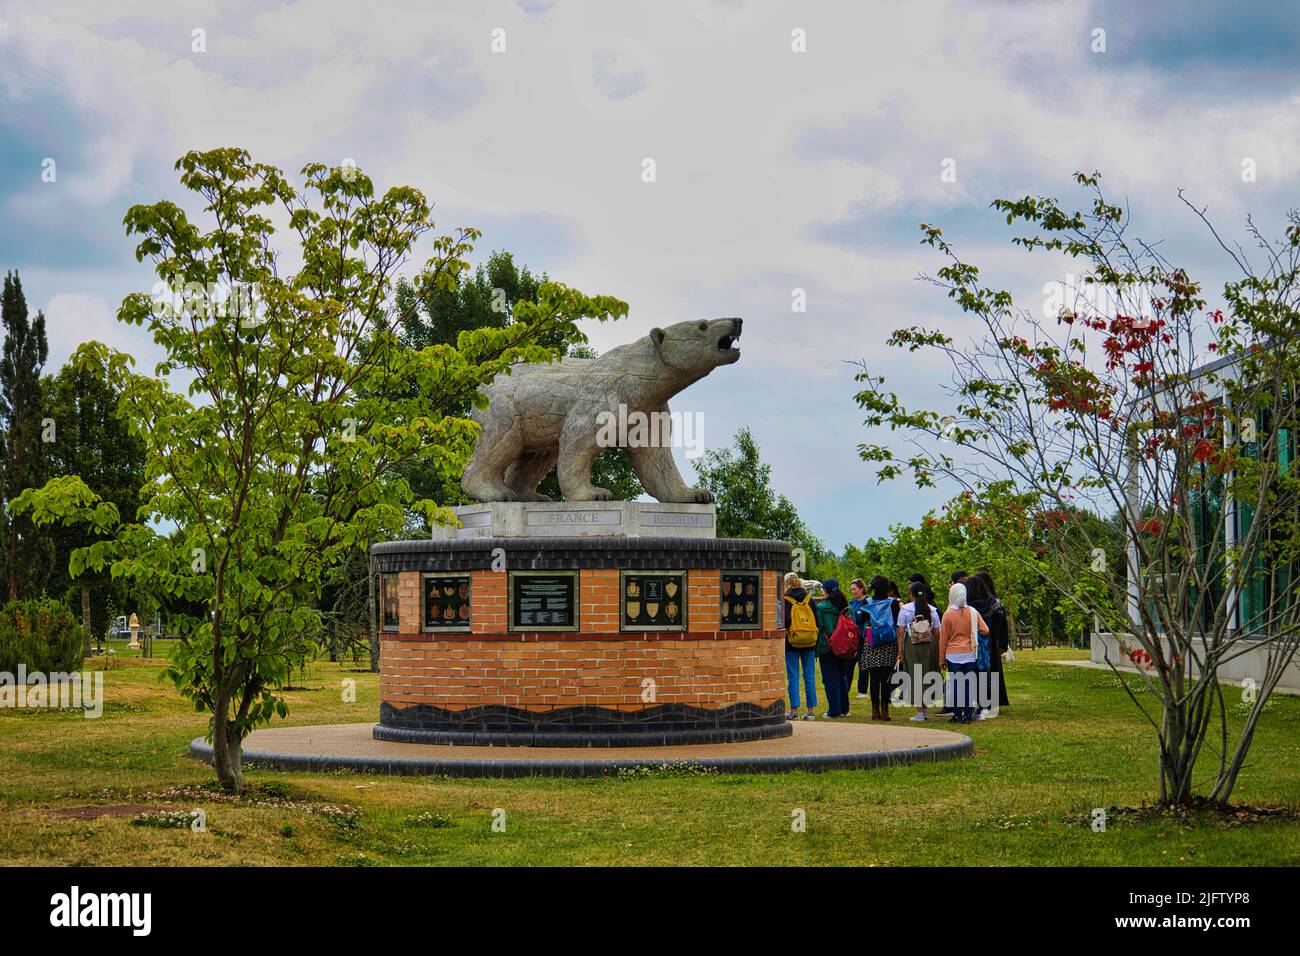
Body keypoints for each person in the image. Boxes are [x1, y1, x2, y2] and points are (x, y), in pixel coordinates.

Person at [939, 581, 988, 723]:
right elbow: (985, 630)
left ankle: (956, 714)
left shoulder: (948, 615)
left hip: (952, 655)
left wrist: (941, 659)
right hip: (969, 654)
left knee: (954, 686)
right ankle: (967, 715)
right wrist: (973, 632)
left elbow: (943, 639)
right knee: (968, 685)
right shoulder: (973, 612)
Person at [896, 579, 943, 721]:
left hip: (912, 645)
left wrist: (900, 651)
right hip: (930, 644)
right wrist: (940, 650)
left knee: (915, 675)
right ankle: (926, 708)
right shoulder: (932, 610)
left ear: (911, 594)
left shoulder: (905, 610)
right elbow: (937, 632)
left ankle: (920, 712)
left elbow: (901, 632)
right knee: (929, 672)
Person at [857, 575, 901, 721]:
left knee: (874, 677)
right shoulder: (893, 603)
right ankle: (885, 710)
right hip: (889, 642)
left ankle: (874, 710)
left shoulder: (867, 602)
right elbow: (896, 621)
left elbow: (861, 620)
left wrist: (870, 638)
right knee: (886, 677)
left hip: (872, 642)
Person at [969, 570, 1011, 712]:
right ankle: (992, 701)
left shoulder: (969, 607)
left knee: (977, 673)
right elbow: (1002, 626)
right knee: (993, 672)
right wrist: (1002, 644)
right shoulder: (995, 604)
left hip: (975, 645)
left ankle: (979, 702)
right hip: (992, 644)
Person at [782, 572, 819, 720]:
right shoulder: (809, 599)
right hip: (809, 642)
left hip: (792, 642)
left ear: (787, 584)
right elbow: (816, 620)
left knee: (793, 676)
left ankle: (794, 711)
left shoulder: (786, 600)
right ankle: (810, 711)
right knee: (809, 676)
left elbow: (785, 621)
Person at [813, 579, 851, 718]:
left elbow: (819, 627)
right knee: (842, 677)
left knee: (830, 679)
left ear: (826, 591)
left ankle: (834, 710)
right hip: (844, 647)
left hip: (827, 647)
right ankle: (844, 709)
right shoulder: (847, 607)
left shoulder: (821, 608)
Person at [848, 578, 870, 699]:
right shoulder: (851, 603)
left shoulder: (868, 601)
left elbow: (871, 621)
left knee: (863, 664)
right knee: (849, 664)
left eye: (855, 589)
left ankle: (862, 691)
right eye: (851, 590)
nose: (853, 591)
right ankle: (846, 688)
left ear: (862, 589)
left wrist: (870, 640)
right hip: (853, 638)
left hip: (865, 636)